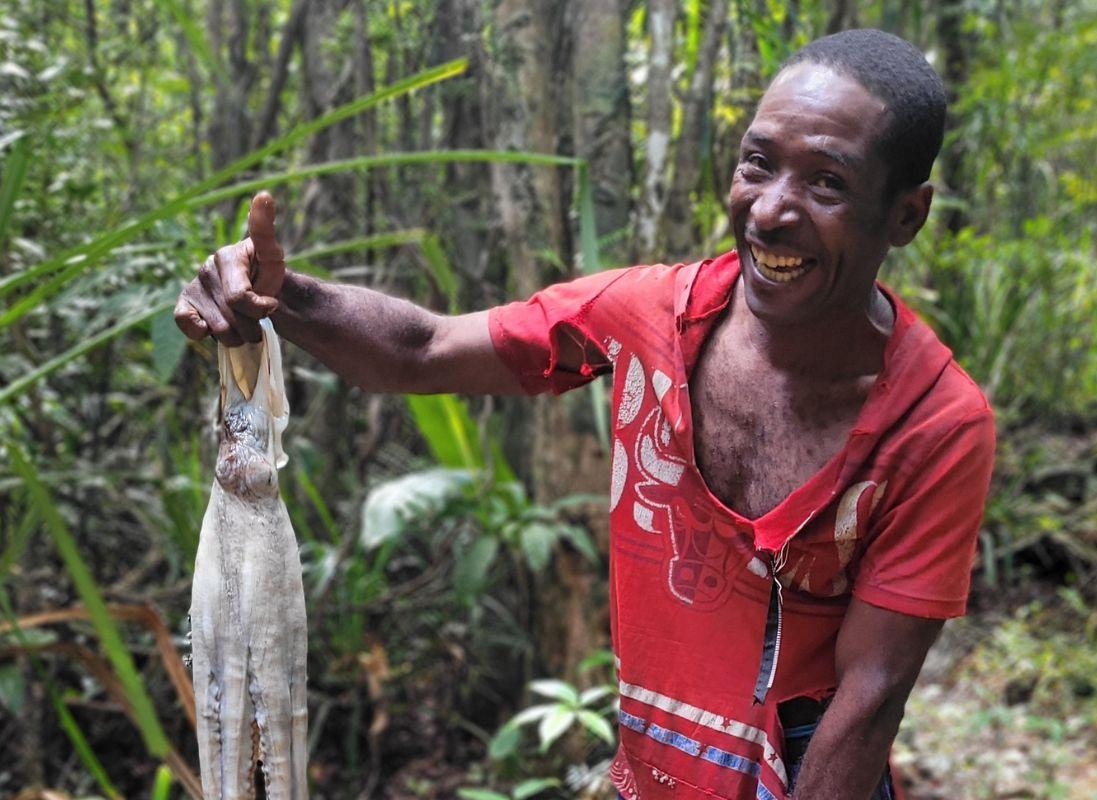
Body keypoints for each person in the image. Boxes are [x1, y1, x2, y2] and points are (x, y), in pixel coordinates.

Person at [176, 28, 995, 800]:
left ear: (906, 215)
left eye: (826, 181)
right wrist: (277, 295)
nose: (772, 210)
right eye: (757, 164)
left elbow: (871, 692)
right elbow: (421, 350)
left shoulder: (934, 424)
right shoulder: (649, 315)